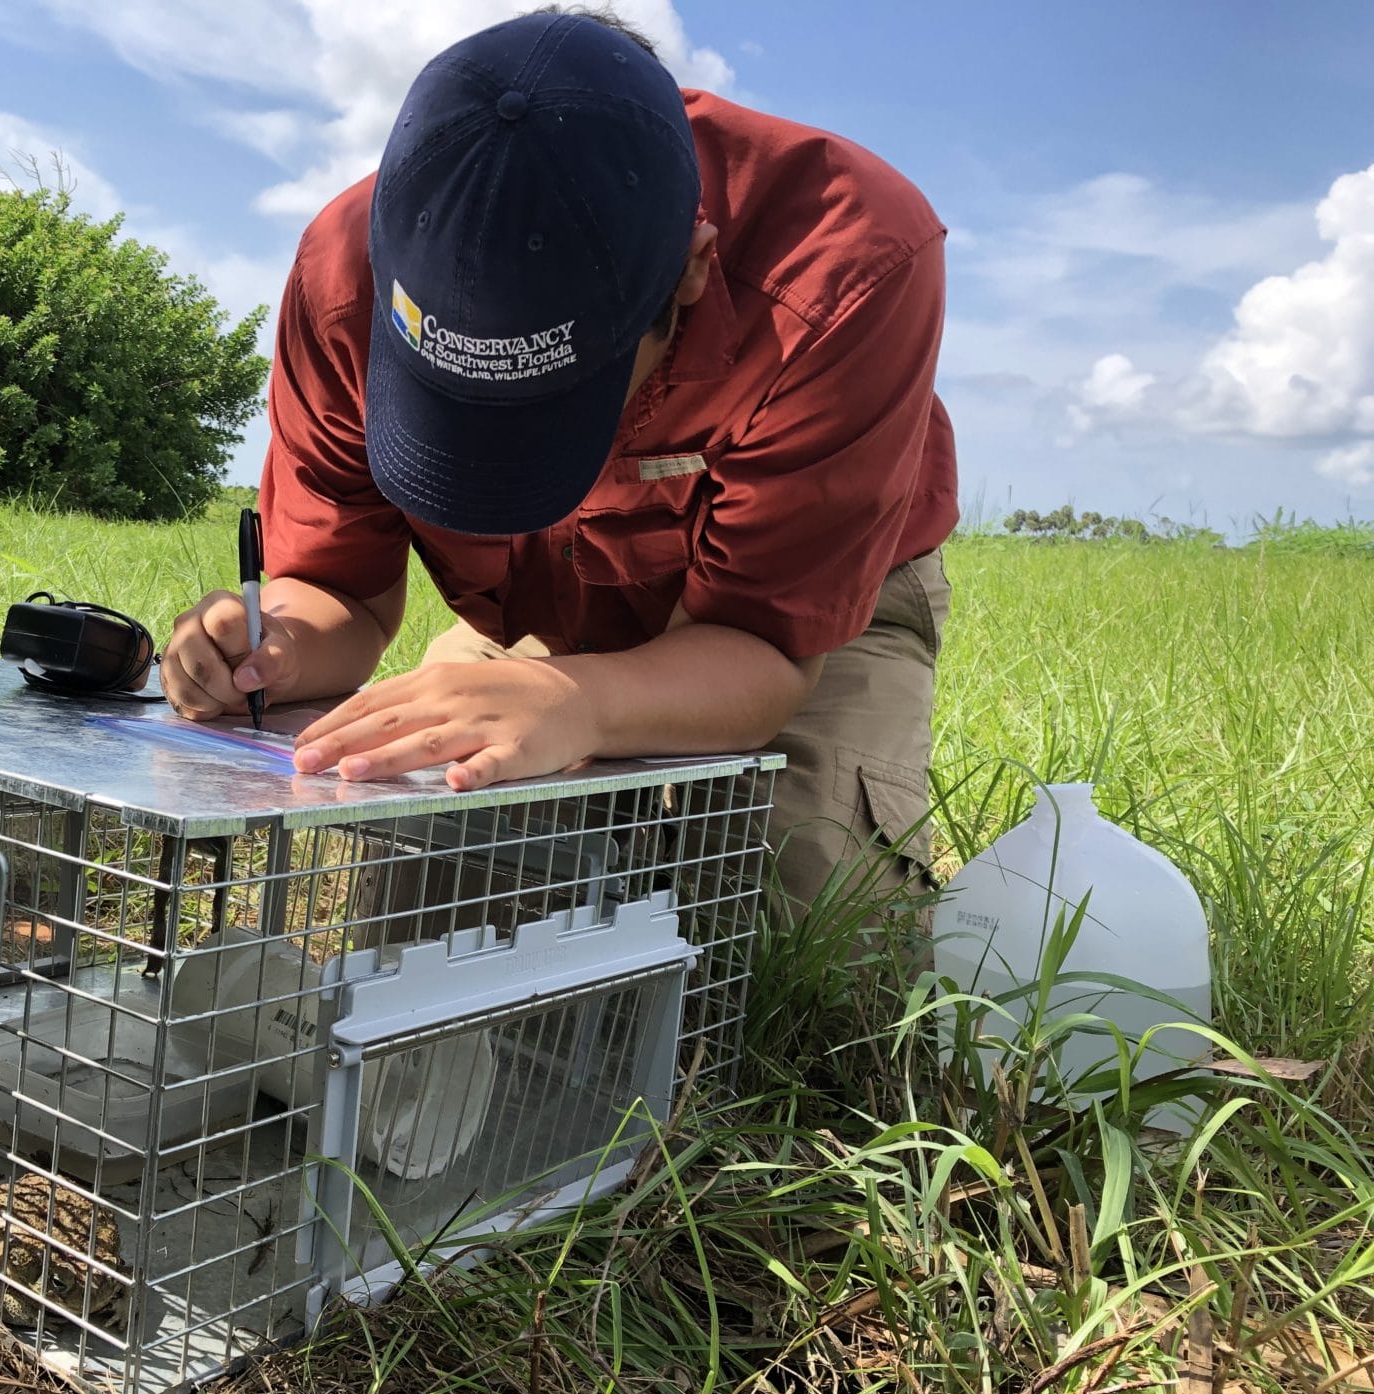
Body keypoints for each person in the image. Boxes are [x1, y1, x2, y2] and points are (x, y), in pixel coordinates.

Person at [162, 5, 957, 916]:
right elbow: (336, 588)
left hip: (806, 612)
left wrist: (579, 704)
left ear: (693, 271)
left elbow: (768, 643)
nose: (501, 451)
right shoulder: (340, 279)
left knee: (796, 928)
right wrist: (276, 647)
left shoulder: (843, 265)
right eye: (450, 409)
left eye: (552, 405)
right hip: (535, 615)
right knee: (431, 887)